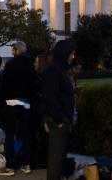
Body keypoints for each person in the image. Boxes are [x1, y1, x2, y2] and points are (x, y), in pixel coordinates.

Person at [0, 42, 37, 176]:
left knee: (10, 135)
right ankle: (27, 164)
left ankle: (10, 166)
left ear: (17, 50)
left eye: (13, 50)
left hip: (11, 103)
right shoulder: (30, 65)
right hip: (25, 104)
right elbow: (34, 85)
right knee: (26, 134)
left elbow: (4, 85)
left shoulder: (10, 64)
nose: (12, 52)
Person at [42, 40, 77, 180]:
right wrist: (60, 120)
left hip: (62, 120)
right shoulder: (53, 70)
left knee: (60, 157)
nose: (73, 57)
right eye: (72, 54)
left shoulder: (59, 70)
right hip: (58, 121)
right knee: (56, 158)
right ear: (64, 54)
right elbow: (50, 96)